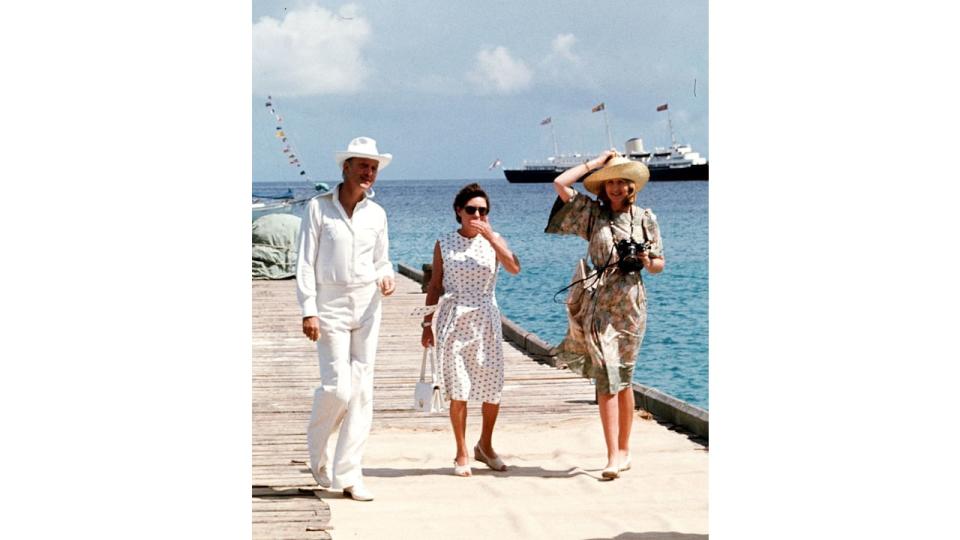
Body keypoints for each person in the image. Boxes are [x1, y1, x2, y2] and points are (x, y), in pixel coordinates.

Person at [546, 150, 665, 480]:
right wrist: (596, 163)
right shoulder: (592, 215)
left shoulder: (645, 219)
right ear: (603, 186)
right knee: (607, 377)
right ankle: (612, 454)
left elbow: (658, 265)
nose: (614, 187)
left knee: (624, 378)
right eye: (609, 181)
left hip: (631, 306)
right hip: (599, 304)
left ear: (631, 186)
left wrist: (643, 258)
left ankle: (624, 450)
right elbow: (559, 183)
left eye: (620, 181)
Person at [295, 136, 396, 501]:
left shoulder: (378, 214)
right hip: (330, 305)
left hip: (368, 305)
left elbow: (382, 259)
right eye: (362, 166)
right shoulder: (318, 208)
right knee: (338, 387)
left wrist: (387, 276)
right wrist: (309, 309)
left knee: (362, 392)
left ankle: (350, 475)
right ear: (346, 167)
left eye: (374, 167)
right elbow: (305, 262)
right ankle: (317, 448)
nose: (369, 172)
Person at [420, 183, 521, 477]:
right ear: (459, 211)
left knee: (492, 389)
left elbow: (514, 268)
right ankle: (461, 450)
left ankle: (485, 446)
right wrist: (427, 324)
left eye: (483, 211)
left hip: (486, 319)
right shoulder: (444, 242)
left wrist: (491, 236)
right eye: (471, 210)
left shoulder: (494, 240)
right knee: (459, 387)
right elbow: (435, 285)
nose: (477, 215)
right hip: (453, 317)